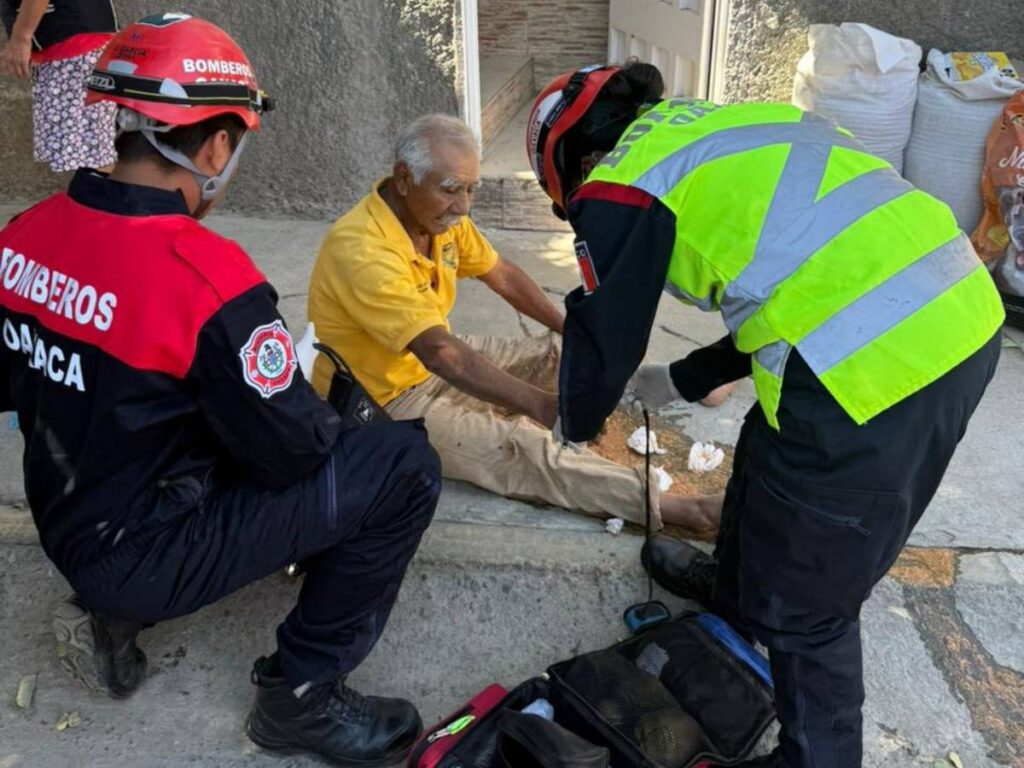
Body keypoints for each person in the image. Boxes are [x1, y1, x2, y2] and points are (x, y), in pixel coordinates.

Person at [526, 61, 1004, 768]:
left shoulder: (621, 180)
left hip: (878, 360)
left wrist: (576, 417)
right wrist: (684, 379)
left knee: (812, 600)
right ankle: (738, 600)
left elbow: (604, 330)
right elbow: (800, 281)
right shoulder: (721, 127)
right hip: (957, 313)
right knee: (768, 450)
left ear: (573, 162)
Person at [0, 14, 438, 767]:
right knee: (402, 466)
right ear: (213, 147)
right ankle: (301, 695)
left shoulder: (23, 237)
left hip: (68, 523)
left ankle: (107, 611)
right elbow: (294, 451)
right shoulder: (206, 279)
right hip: (140, 554)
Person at [307, 113, 725, 534]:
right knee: (525, 450)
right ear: (403, 179)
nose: (463, 206)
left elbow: (502, 275)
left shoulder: (438, 221)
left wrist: (571, 331)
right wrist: (539, 407)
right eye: (451, 189)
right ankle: (679, 509)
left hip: (430, 361)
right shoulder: (362, 250)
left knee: (565, 353)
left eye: (471, 189)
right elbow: (441, 354)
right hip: (383, 401)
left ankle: (658, 389)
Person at [0, 0, 118, 172]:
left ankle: (98, 197)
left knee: (93, 155)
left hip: (75, 46)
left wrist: (20, 39)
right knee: (89, 151)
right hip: (75, 44)